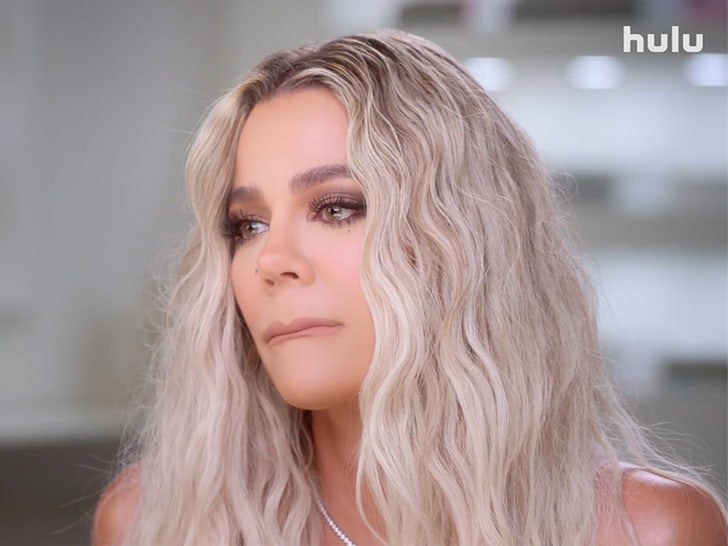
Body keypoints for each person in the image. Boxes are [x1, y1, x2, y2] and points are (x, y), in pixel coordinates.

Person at [93, 30, 727, 545]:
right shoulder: (151, 524)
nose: (272, 261)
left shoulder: (645, 531)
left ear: (465, 237)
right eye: (247, 225)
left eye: (337, 208)